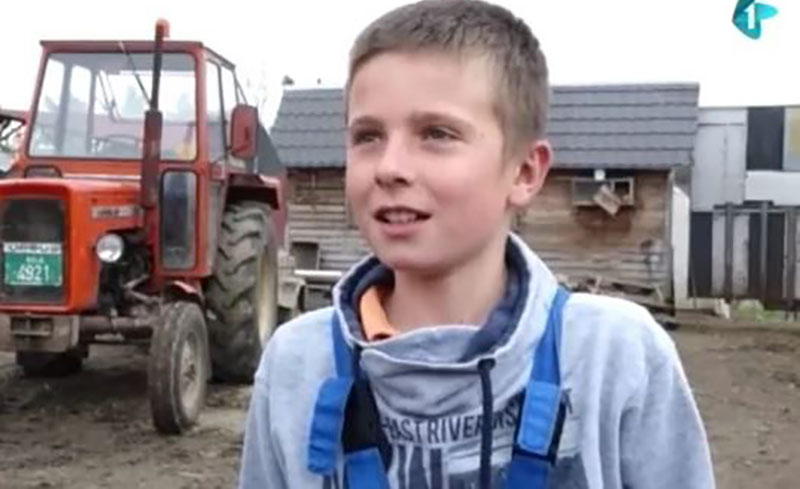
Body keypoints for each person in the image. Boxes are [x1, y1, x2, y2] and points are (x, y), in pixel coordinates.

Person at [238, 1, 715, 487]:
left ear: (524, 172)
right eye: (368, 136)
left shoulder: (614, 358)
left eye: (436, 134)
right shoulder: (296, 365)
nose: (389, 167)